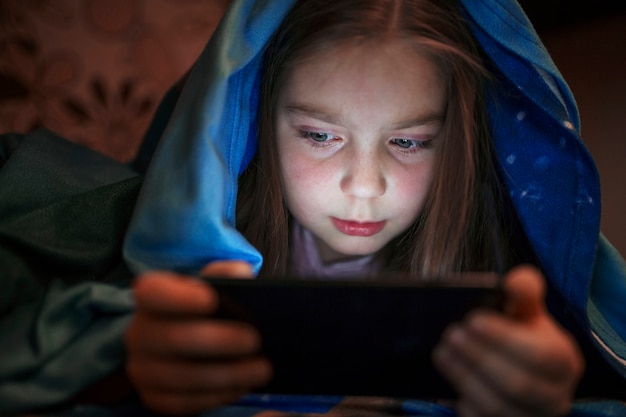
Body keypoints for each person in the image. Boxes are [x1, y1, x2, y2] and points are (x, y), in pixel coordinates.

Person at [0, 0, 625, 416]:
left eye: (408, 142)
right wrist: (124, 373)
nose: (363, 185)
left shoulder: (506, 269)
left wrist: (552, 395)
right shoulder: (185, 259)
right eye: (320, 135)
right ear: (250, 122)